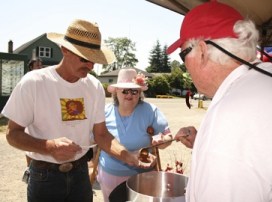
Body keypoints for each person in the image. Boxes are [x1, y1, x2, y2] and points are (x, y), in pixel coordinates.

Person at [1, 19, 156, 202]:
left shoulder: (94, 86)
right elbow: (12, 134)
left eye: (94, 60)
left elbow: (102, 135)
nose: (90, 66)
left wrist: (130, 157)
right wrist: (48, 147)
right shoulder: (33, 82)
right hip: (44, 176)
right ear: (64, 50)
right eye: (85, 58)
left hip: (80, 174)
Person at [167, 2, 272, 202]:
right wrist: (205, 144)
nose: (185, 66)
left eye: (183, 54)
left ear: (202, 51)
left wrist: (216, 147)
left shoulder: (232, 119)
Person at [96, 68, 173, 201]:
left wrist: (161, 141)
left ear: (140, 93)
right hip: (110, 175)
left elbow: (168, 136)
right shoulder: (104, 112)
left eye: (134, 91)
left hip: (143, 177)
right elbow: (96, 139)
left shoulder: (150, 111)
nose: (129, 95)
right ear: (116, 92)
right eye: (125, 91)